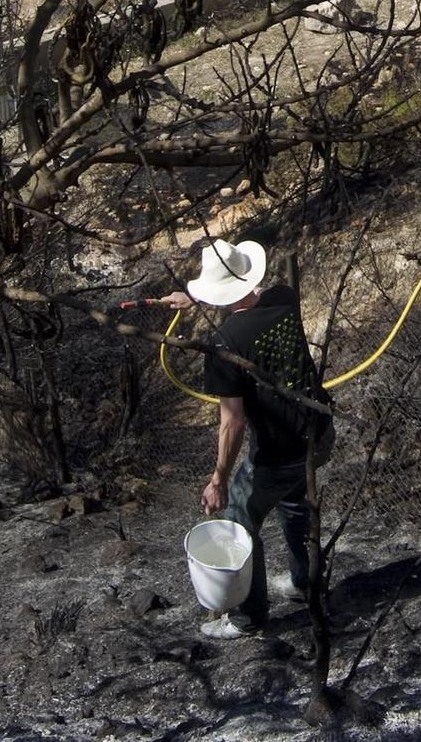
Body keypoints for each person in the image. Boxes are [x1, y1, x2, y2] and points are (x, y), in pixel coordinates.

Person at [157, 238, 333, 639]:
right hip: (318, 435)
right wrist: (196, 299)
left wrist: (219, 478)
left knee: (239, 519)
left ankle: (248, 618)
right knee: (294, 502)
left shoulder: (223, 345)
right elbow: (252, 299)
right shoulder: (285, 299)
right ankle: (306, 584)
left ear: (217, 292)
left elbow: (232, 423)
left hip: (278, 451)